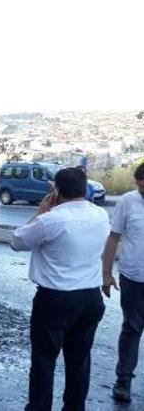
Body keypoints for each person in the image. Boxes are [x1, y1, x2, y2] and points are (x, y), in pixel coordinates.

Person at [11, 167, 110, 411]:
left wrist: (41, 211)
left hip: (55, 300)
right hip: (90, 298)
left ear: (56, 190)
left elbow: (17, 241)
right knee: (79, 360)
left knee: (44, 360)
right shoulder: (100, 215)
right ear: (85, 188)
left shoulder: (51, 219)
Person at [102, 162, 144, 403]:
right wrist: (106, 274)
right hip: (133, 278)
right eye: (138, 186)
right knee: (132, 329)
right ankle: (124, 381)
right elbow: (113, 238)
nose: (140, 190)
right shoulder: (128, 201)